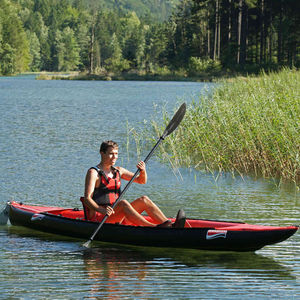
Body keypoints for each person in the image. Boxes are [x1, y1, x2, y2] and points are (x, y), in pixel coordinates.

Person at [83, 140, 185, 227]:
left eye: (116, 153)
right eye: (111, 153)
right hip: (100, 218)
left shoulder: (118, 171)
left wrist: (143, 171)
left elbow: (141, 180)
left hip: (115, 214)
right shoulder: (93, 173)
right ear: (102, 153)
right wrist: (101, 210)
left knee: (144, 200)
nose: (114, 157)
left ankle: (169, 225)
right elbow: (87, 199)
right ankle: (153, 227)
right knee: (123, 203)